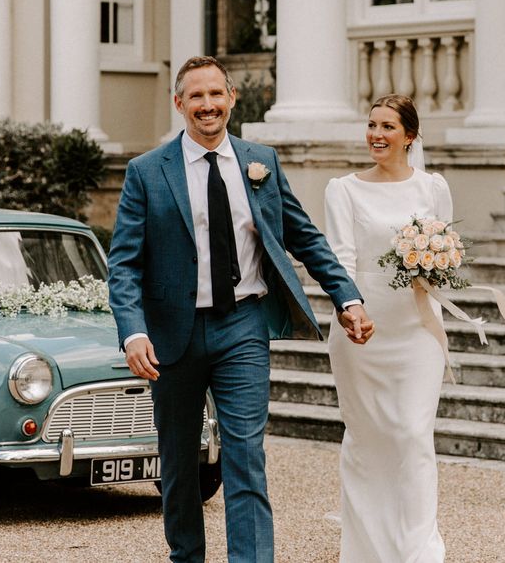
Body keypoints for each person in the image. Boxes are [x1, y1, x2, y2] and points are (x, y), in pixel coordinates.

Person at [107, 55, 374, 563]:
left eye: (216, 94)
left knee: (247, 456)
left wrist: (348, 297)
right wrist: (133, 331)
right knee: (181, 463)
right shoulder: (146, 172)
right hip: (172, 337)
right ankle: (186, 556)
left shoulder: (261, 162)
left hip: (243, 327)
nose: (207, 105)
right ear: (179, 103)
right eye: (196, 96)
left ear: (232, 98)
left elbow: (304, 236)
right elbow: (123, 263)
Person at [325, 94, 449, 562]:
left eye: (388, 127)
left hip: (417, 328)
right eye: (371, 124)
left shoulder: (433, 186)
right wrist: (349, 309)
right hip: (362, 326)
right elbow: (343, 258)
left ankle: (419, 550)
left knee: (413, 435)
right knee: (368, 437)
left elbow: (446, 250)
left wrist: (436, 265)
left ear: (410, 136)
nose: (376, 134)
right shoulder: (344, 188)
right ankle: (367, 548)